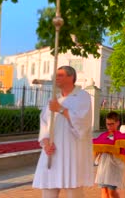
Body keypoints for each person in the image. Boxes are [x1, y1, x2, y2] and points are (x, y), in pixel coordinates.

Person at [33, 66, 94, 198]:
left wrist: (61, 109)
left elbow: (83, 123)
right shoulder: (54, 99)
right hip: (52, 153)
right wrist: (45, 143)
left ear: (71, 77)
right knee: (48, 193)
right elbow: (44, 123)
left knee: (73, 193)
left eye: (60, 75)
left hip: (71, 153)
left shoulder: (82, 96)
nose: (56, 78)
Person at [94, 112, 125, 198]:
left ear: (118, 123)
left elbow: (124, 153)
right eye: (107, 124)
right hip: (103, 167)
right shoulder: (103, 136)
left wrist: (111, 150)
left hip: (114, 168)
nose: (109, 127)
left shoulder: (121, 137)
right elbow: (96, 149)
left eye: (111, 124)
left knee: (112, 192)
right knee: (104, 191)